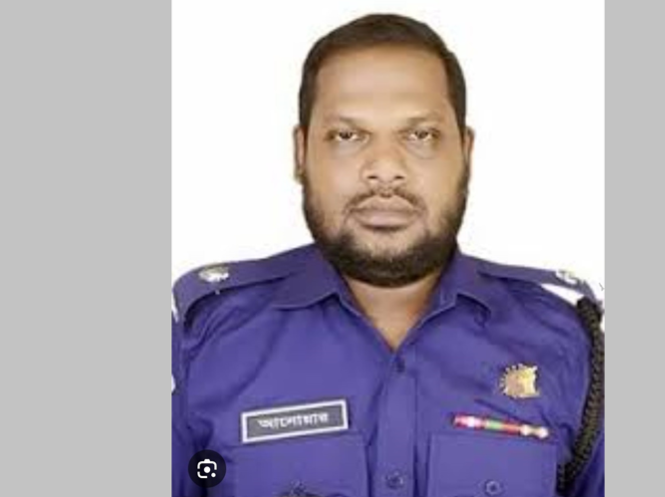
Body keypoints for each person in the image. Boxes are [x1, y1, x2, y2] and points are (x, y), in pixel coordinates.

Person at [172, 13, 604, 497]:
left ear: (465, 153)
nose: (384, 169)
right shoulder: (200, 343)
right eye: (347, 135)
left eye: (420, 135)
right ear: (301, 152)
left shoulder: (566, 345)